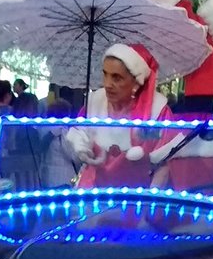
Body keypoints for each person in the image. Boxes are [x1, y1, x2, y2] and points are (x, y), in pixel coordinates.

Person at [65, 43, 172, 188]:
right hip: (93, 194)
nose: (108, 84)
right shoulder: (94, 103)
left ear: (136, 81)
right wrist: (83, 146)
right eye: (105, 74)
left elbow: (164, 165)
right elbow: (77, 135)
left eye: (117, 78)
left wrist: (149, 203)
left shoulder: (157, 112)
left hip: (135, 199)